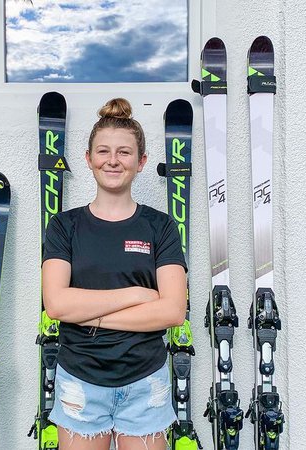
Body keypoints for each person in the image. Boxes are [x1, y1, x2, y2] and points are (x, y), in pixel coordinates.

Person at [42, 98, 187, 450]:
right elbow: (57, 305)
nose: (113, 160)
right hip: (81, 379)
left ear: (141, 163)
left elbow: (172, 312)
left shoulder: (160, 227)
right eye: (103, 151)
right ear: (88, 158)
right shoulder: (64, 226)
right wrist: (136, 295)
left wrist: (90, 316)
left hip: (145, 381)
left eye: (124, 152)